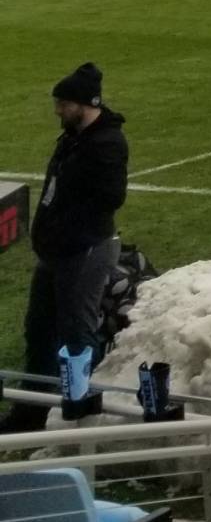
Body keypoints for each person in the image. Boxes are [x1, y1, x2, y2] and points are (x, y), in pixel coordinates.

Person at [8, 64, 128, 431]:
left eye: (63, 104)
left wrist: (66, 226)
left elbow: (110, 197)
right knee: (40, 330)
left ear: (83, 104)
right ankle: (31, 413)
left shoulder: (106, 144)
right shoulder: (74, 138)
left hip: (83, 251)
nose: (58, 110)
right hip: (58, 252)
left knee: (76, 334)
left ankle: (78, 415)